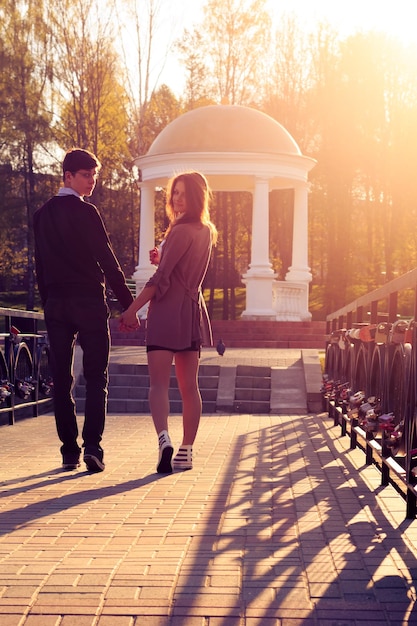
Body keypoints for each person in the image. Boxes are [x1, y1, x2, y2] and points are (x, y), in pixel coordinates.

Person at [34, 148, 134, 472]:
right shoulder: (87, 213)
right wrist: (128, 306)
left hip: (57, 305)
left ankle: (69, 451)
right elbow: (107, 261)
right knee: (95, 377)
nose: (92, 180)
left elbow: (40, 266)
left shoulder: (42, 215)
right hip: (89, 303)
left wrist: (47, 299)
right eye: (86, 174)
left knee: (61, 379)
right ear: (68, 176)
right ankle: (92, 446)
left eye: (95, 174)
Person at [120, 171, 217, 474]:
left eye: (183, 193)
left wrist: (131, 310)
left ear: (196, 197)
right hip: (191, 313)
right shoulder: (206, 231)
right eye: (174, 193)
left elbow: (160, 280)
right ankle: (186, 451)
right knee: (190, 387)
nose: (176, 199)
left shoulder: (180, 230)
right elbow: (183, 268)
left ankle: (164, 439)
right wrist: (163, 256)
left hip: (165, 312)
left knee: (159, 384)